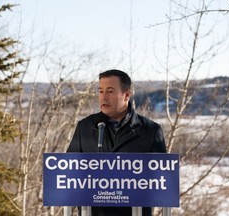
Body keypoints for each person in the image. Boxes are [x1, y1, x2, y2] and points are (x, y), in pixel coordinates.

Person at [67, 69, 166, 216]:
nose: (103, 97)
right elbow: (69, 172)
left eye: (110, 91)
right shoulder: (85, 127)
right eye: (100, 91)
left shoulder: (150, 131)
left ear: (126, 95)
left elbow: (161, 181)